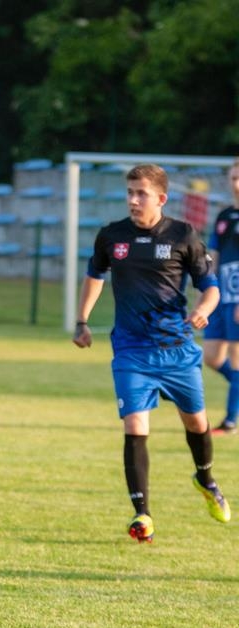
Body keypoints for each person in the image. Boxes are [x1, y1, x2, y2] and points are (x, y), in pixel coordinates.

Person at [73, 163, 229, 543]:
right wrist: (82, 321)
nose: (133, 200)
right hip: (131, 350)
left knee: (196, 424)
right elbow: (95, 275)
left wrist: (202, 311)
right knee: (135, 427)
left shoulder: (183, 234)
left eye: (141, 193)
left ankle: (205, 478)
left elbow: (210, 287)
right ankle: (142, 514)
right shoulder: (112, 237)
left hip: (176, 349)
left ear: (160, 198)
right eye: (129, 192)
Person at [202, 158, 239, 435]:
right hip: (221, 295)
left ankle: (229, 421)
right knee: (212, 356)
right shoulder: (224, 216)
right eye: (233, 177)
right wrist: (206, 290)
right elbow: (213, 257)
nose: (236, 184)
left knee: (237, 357)